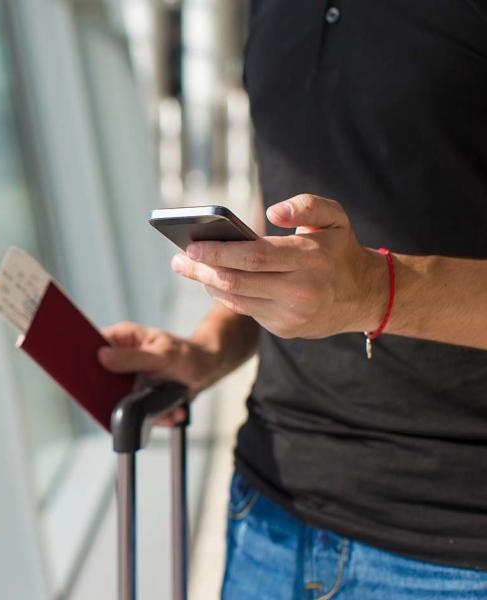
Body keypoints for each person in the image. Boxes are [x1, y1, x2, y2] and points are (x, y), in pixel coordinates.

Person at [98, 2, 487, 598]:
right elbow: (294, 201)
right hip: (268, 513)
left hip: (452, 552)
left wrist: (376, 291)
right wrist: (210, 346)